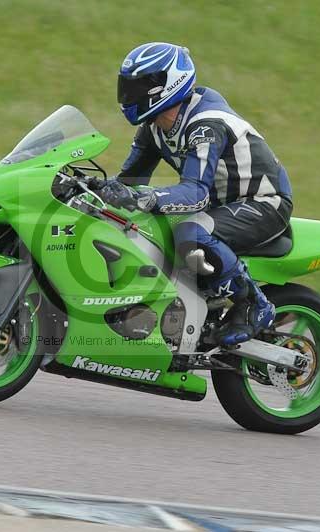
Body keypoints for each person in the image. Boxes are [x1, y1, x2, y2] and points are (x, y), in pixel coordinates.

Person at [100, 42, 293, 345]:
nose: (129, 95)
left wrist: (151, 197)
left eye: (139, 86)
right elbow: (128, 181)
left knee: (190, 230)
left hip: (263, 203)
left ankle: (254, 302)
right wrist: (92, 188)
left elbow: (197, 193)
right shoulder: (155, 126)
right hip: (223, 204)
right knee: (138, 223)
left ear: (168, 84)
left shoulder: (206, 124)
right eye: (127, 85)